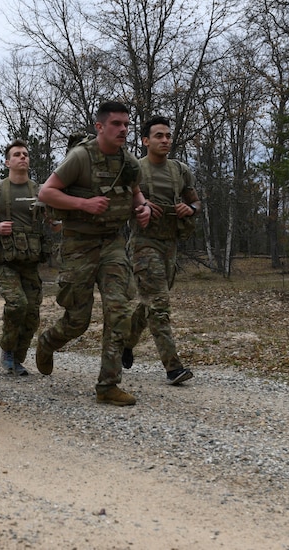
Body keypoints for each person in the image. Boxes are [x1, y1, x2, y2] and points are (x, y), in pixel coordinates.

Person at [36, 101, 151, 406]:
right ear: (100, 127)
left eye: (127, 124)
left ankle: (108, 385)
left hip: (112, 244)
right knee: (78, 321)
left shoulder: (129, 163)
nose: (123, 130)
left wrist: (143, 208)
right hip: (79, 245)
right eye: (116, 124)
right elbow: (46, 192)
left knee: (119, 312)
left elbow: (137, 193)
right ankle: (47, 342)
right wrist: (84, 204)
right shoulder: (80, 158)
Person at [122, 116, 200, 385]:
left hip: (171, 245)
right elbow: (118, 204)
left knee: (150, 303)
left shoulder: (180, 170)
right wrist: (139, 207)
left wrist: (189, 209)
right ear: (145, 141)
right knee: (159, 305)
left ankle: (125, 341)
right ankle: (173, 367)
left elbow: (196, 202)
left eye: (168, 135)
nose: (165, 140)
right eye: (159, 136)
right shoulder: (134, 170)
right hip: (144, 244)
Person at [0, 139, 44, 377]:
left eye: (25, 154)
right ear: (7, 162)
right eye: (17, 154)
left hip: (30, 261)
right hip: (5, 261)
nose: (23, 157)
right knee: (17, 304)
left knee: (33, 313)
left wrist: (57, 222)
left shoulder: (39, 190)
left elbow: (54, 224)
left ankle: (18, 358)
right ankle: (7, 350)